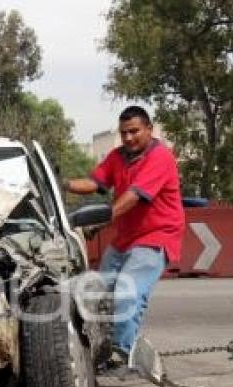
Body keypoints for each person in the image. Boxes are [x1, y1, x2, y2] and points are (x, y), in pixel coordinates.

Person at [65, 106, 185, 361]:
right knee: (95, 293)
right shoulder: (117, 156)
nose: (128, 138)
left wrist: (99, 220)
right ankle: (101, 349)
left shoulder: (160, 157)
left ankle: (121, 353)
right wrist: (61, 184)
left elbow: (133, 197)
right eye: (124, 133)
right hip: (125, 240)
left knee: (128, 293)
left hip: (156, 236)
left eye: (134, 131)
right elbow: (94, 183)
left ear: (149, 129)